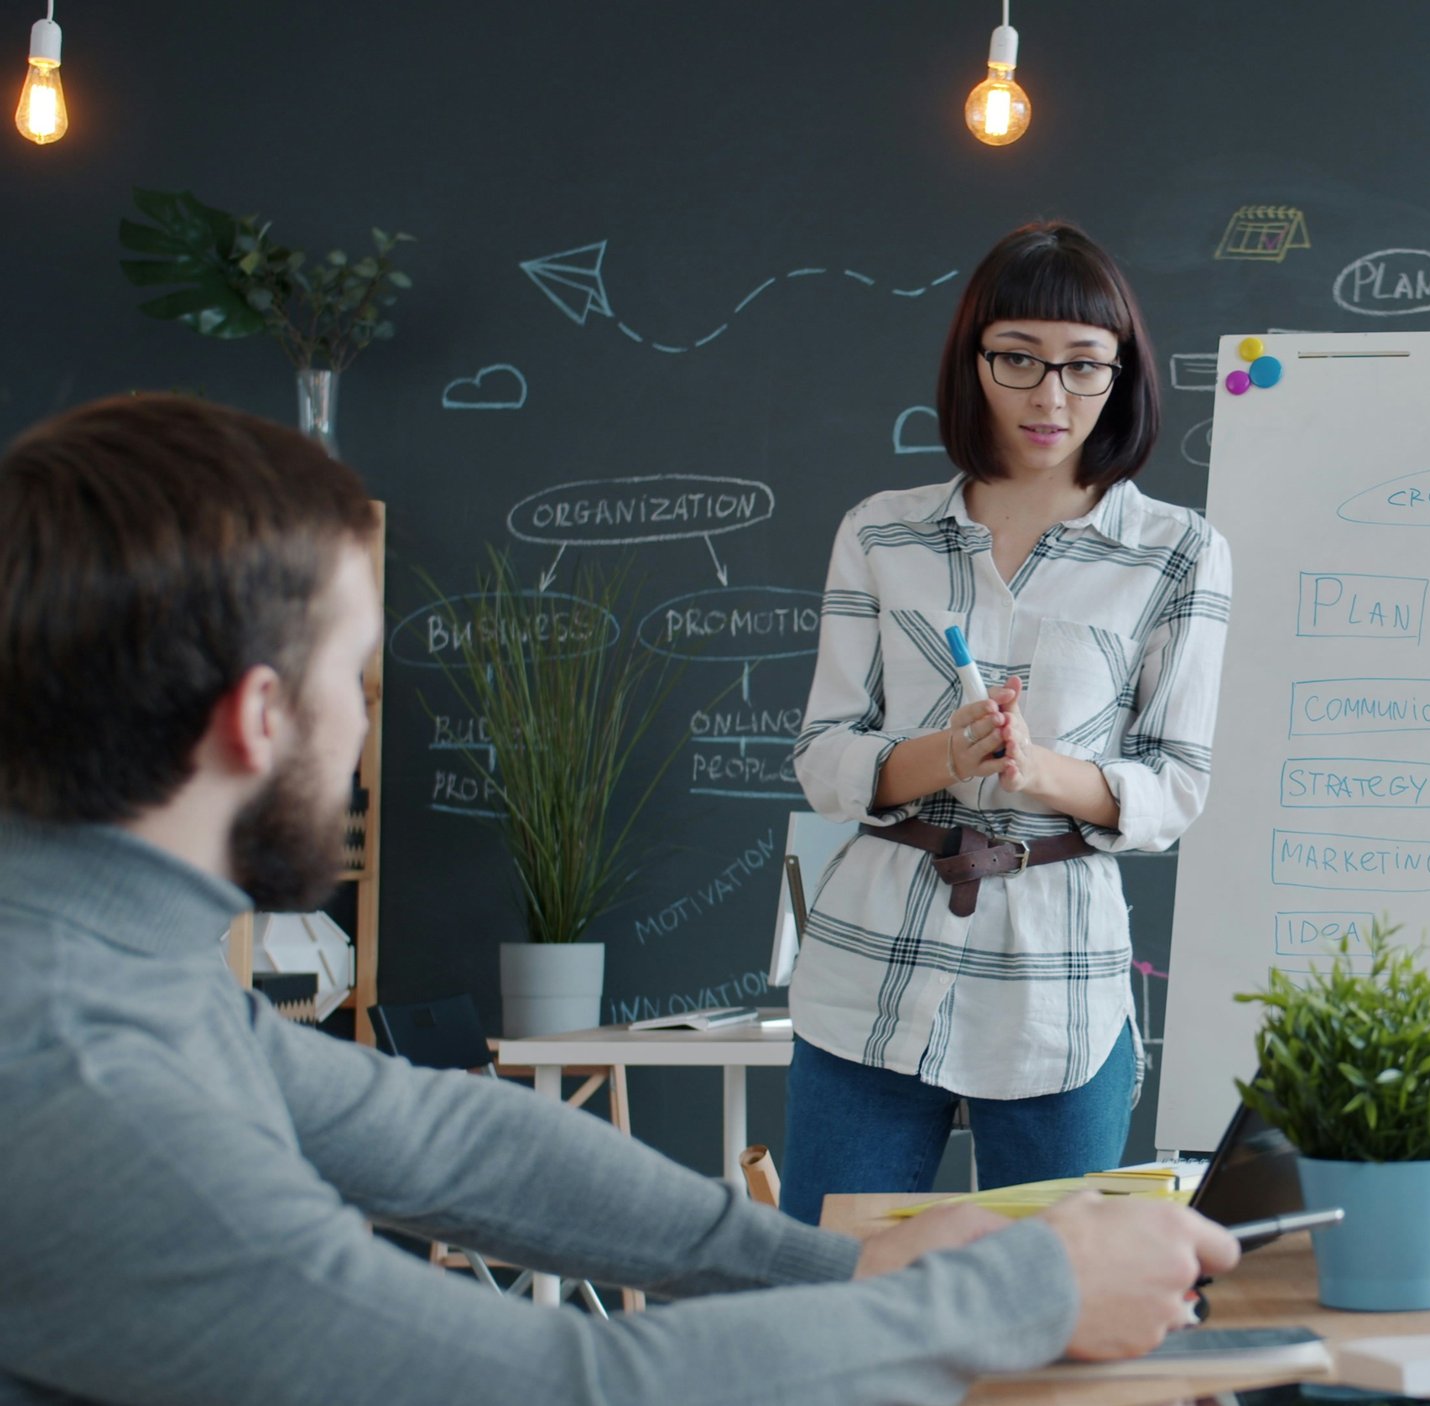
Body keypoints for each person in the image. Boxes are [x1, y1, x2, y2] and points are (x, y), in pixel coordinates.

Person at [0, 395, 1238, 1406]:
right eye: (355, 673)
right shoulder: (86, 1078)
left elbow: (444, 1140)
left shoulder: (108, 960)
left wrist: (835, 1258)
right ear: (259, 716)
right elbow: (567, 1381)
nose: (370, 717)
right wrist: (1025, 1292)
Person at [782, 221, 1231, 1208]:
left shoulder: (1177, 551)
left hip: (1058, 980)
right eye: (1018, 358)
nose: (1049, 395)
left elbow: (1176, 786)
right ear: (972, 358)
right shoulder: (881, 530)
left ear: (1122, 375)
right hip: (868, 963)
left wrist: (1040, 771)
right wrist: (946, 752)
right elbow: (823, 759)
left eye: (1083, 366)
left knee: (1055, 1298)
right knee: (825, 1282)